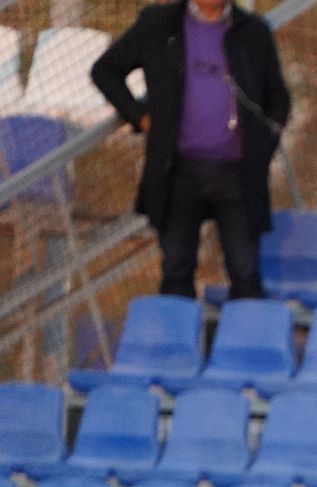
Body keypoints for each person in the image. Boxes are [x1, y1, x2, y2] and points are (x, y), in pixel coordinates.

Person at [91, 0, 290, 301]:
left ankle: (246, 332)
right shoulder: (158, 24)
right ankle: (177, 333)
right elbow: (105, 71)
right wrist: (139, 117)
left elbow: (278, 100)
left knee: (245, 273)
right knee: (176, 272)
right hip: (177, 174)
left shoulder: (253, 31)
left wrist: (263, 147)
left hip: (239, 176)